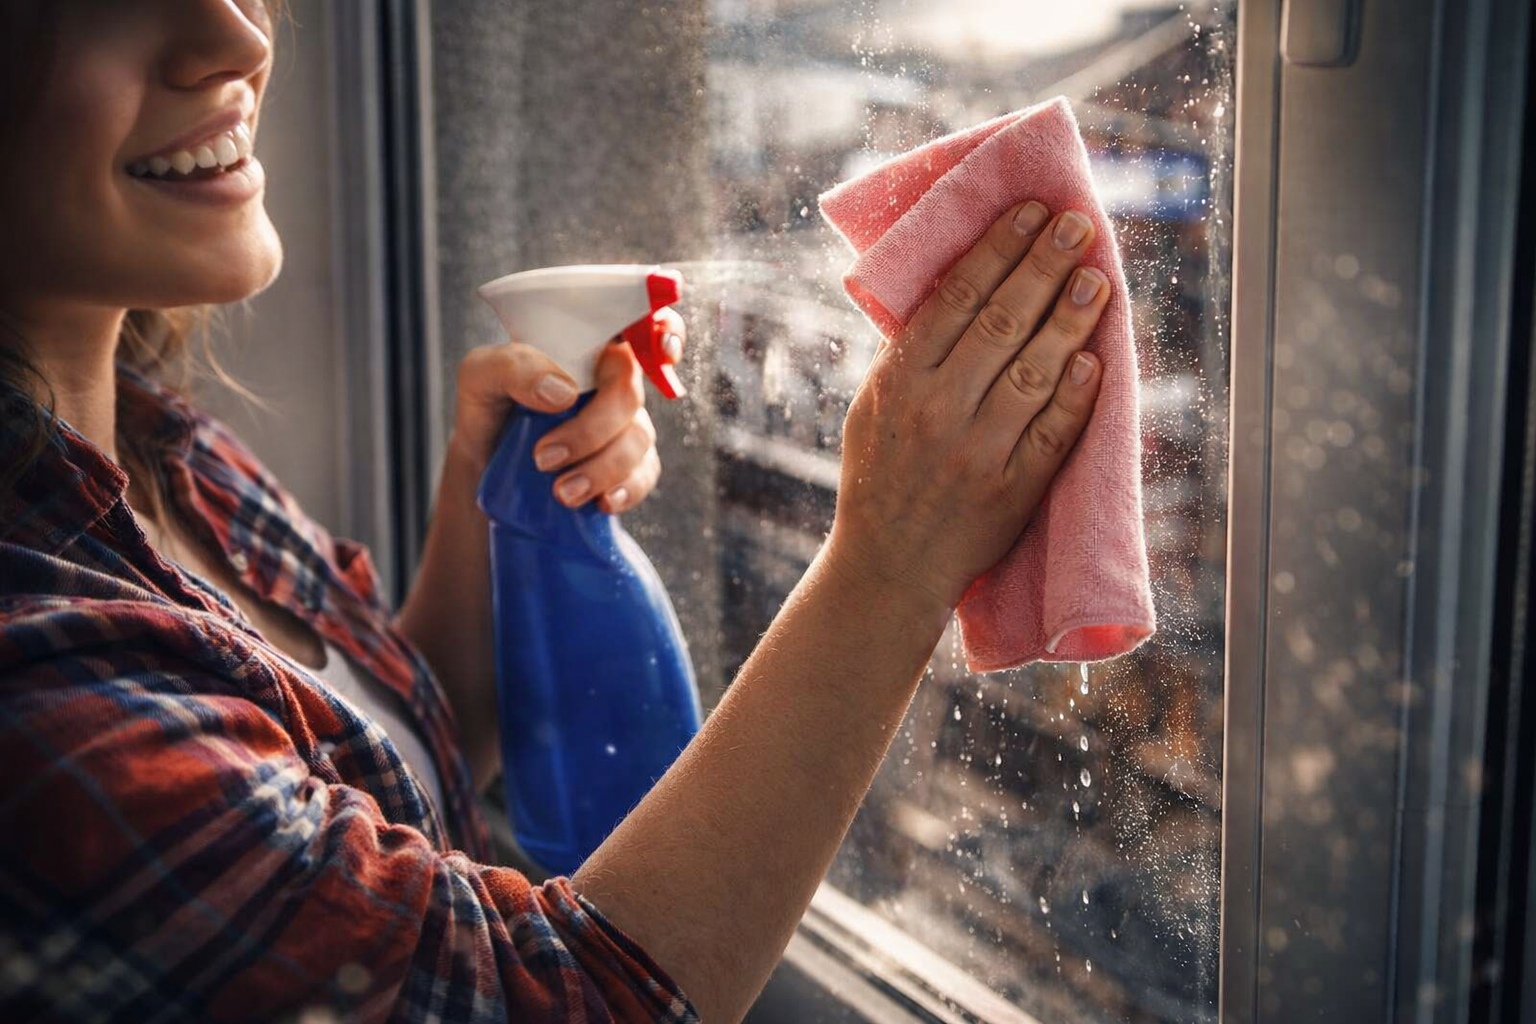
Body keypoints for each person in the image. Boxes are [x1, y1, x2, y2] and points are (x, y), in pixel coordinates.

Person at [0, 3, 1109, 1022]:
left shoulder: (158, 445)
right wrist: (891, 565)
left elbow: (360, 778)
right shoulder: (42, 701)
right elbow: (564, 998)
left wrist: (501, 504)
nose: (235, 36)